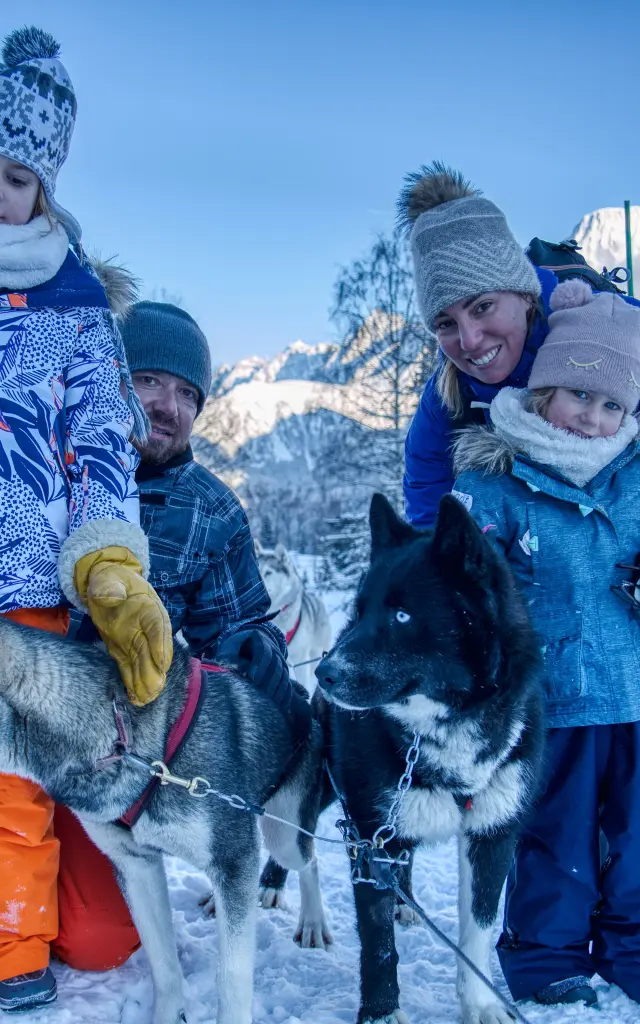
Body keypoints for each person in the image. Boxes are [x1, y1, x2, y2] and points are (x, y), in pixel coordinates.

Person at [0, 27, 171, 1012]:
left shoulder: (74, 310)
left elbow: (102, 447)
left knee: (12, 784)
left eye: (15, 176)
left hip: (25, 598)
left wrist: (109, 564)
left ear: (44, 189)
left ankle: (14, 951)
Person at [452, 279, 640, 1008]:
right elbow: (460, 578)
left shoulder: (635, 476)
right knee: (556, 835)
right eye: (578, 395)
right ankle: (546, 957)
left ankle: (631, 948)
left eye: (611, 404)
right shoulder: (496, 481)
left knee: (637, 835)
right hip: (550, 700)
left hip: (633, 692)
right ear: (543, 393)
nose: (592, 417)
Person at [398, 162, 640, 527]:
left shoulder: (605, 331)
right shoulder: (450, 396)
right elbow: (428, 506)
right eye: (446, 323)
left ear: (526, 295)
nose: (469, 341)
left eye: (482, 307)